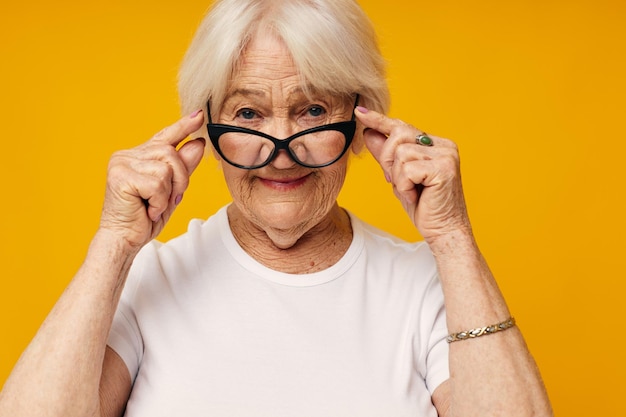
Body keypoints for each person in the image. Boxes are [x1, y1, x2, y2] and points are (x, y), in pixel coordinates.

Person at [0, 0, 552, 416]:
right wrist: (113, 245)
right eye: (247, 114)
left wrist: (452, 236)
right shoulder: (150, 279)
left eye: (313, 109)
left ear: (363, 122)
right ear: (206, 131)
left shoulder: (427, 286)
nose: (281, 151)